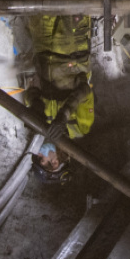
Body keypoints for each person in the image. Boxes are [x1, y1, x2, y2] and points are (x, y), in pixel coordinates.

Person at [22, 12, 95, 183]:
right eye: (42, 159)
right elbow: (85, 91)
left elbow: (30, 91)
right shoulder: (80, 127)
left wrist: (34, 103)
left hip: (43, 50)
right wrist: (64, 115)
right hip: (70, 52)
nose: (40, 153)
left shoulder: (43, 125)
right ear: (55, 163)